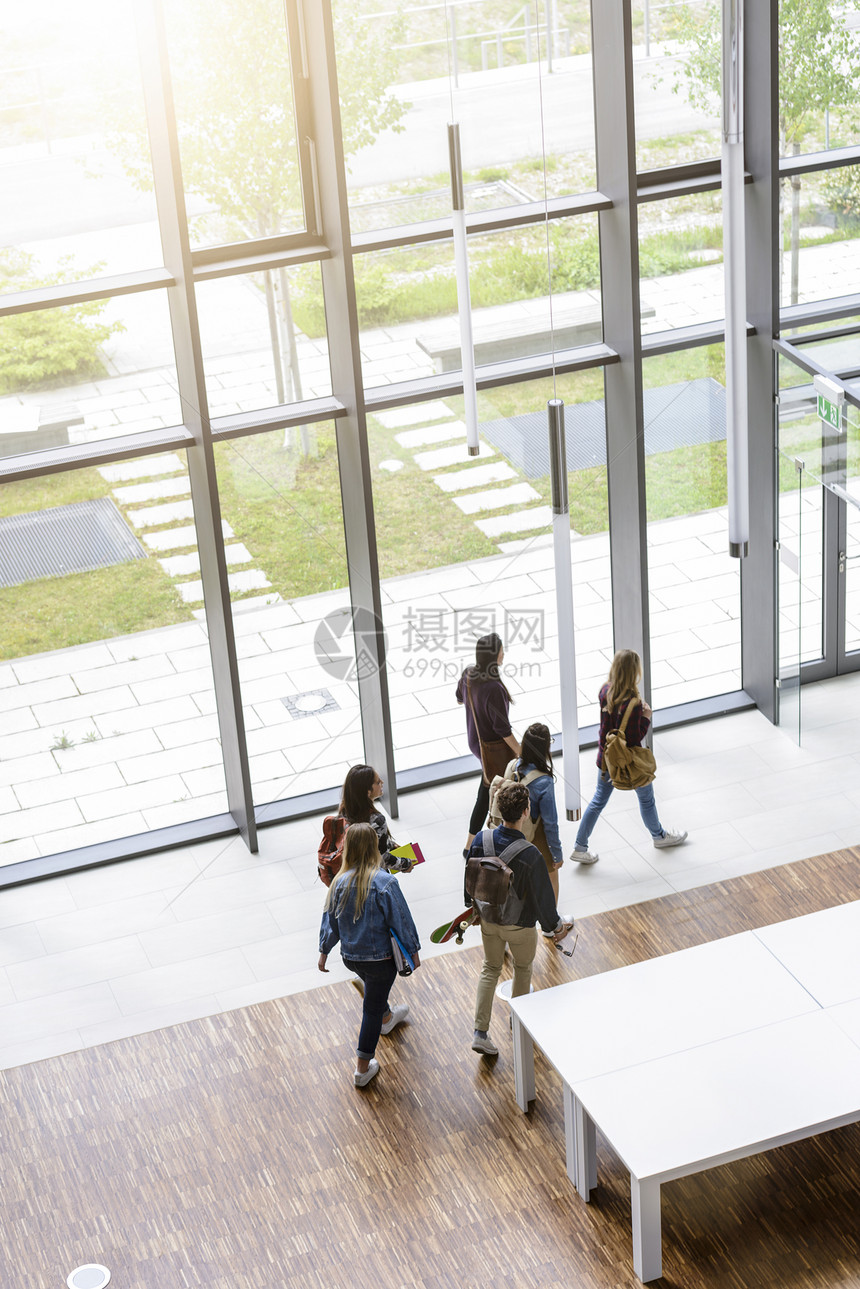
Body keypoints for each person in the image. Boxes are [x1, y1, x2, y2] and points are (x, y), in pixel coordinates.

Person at [467, 781, 573, 1057]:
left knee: (490, 968)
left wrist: (472, 909)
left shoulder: (482, 839)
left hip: (489, 920)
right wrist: (555, 927)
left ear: (499, 810)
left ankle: (480, 1032)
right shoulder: (530, 854)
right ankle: (520, 1022)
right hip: (520, 927)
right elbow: (543, 900)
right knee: (523, 969)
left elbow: (469, 878)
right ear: (526, 812)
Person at [318, 822, 420, 1088]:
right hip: (380, 960)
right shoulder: (385, 882)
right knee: (370, 1010)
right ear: (374, 848)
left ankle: (387, 1014)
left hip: (351, 957)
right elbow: (401, 920)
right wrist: (413, 952)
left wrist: (323, 951)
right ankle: (362, 1069)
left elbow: (330, 920)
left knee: (374, 991)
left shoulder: (339, 882)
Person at [571, 648, 687, 864]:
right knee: (646, 799)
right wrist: (646, 717)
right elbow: (634, 738)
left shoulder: (604, 691)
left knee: (597, 801)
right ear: (633, 671)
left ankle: (579, 846)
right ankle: (659, 836)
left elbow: (607, 728)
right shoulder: (632, 702)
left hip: (606, 760)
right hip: (629, 762)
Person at [455, 632, 520, 858]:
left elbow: (459, 698)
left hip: (476, 742)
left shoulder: (468, 675)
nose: (504, 653)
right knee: (491, 791)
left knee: (487, 789)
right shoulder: (494, 687)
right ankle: (478, 845)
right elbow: (503, 731)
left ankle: (470, 844)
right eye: (502, 650)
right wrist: (522, 752)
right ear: (494, 655)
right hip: (493, 749)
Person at [512, 722, 564, 907]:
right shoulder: (543, 781)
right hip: (535, 834)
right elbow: (550, 823)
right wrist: (557, 855)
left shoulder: (513, 766)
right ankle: (552, 924)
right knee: (551, 878)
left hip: (512, 830)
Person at [338, 764, 414, 874]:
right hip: (371, 877)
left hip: (349, 873)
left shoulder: (345, 810)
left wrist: (388, 844)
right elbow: (381, 859)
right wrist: (405, 863)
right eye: (378, 782)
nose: (382, 782)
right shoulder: (377, 820)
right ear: (368, 792)